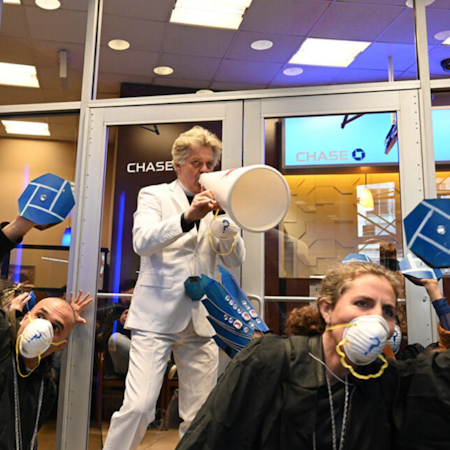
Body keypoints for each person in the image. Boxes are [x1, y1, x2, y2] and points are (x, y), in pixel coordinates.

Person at [176, 261, 450, 450]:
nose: (376, 319)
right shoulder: (270, 360)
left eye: (387, 311)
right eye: (362, 303)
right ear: (327, 310)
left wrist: (435, 292)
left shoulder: (387, 378)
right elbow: (212, 437)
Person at [103, 126, 246, 449]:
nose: (204, 170)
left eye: (209, 164)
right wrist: (187, 216)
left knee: (200, 415)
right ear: (177, 165)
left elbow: (235, 260)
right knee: (139, 407)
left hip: (201, 320)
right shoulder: (154, 195)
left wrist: (225, 224)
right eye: (196, 163)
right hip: (155, 319)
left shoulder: (220, 202)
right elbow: (142, 242)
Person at [0, 287, 92, 450]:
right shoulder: (3, 347)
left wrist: (66, 316)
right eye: (40, 317)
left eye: (55, 327)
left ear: (59, 347)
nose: (41, 329)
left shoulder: (46, 389)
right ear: (25, 318)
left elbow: (26, 438)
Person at [98, 279, 136, 375]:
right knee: (116, 339)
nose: (130, 300)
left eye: (134, 296)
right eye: (129, 295)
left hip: (138, 357)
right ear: (122, 293)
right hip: (119, 362)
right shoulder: (114, 311)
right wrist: (119, 323)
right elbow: (103, 340)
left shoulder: (142, 313)